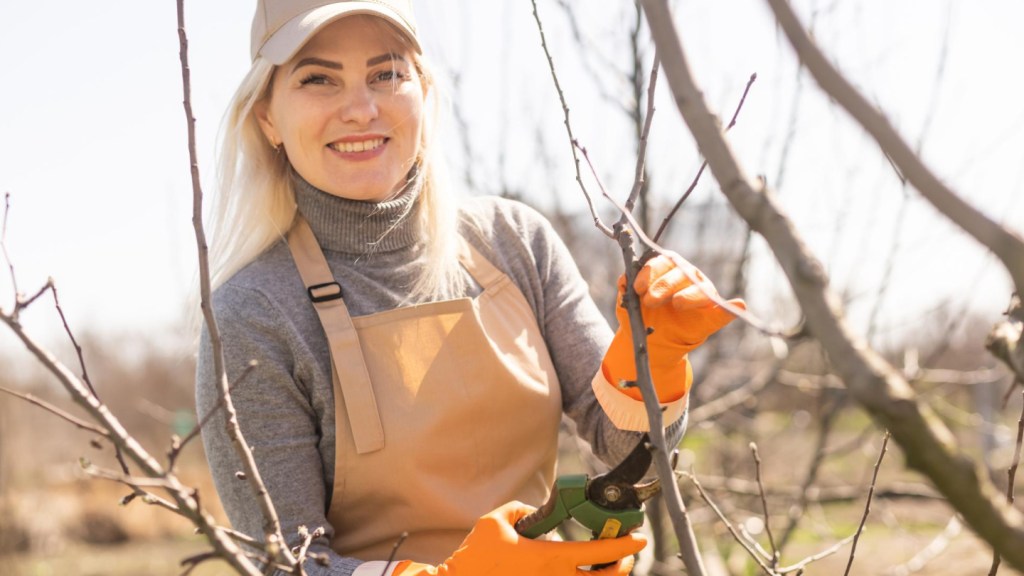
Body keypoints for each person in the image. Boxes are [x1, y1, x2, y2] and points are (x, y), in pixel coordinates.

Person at [195, 1, 744, 575]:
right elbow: (285, 563)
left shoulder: (514, 241)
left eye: (386, 74)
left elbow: (626, 451)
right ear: (267, 119)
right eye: (318, 80)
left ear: (424, 94)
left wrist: (654, 355)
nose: (361, 109)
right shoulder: (251, 312)